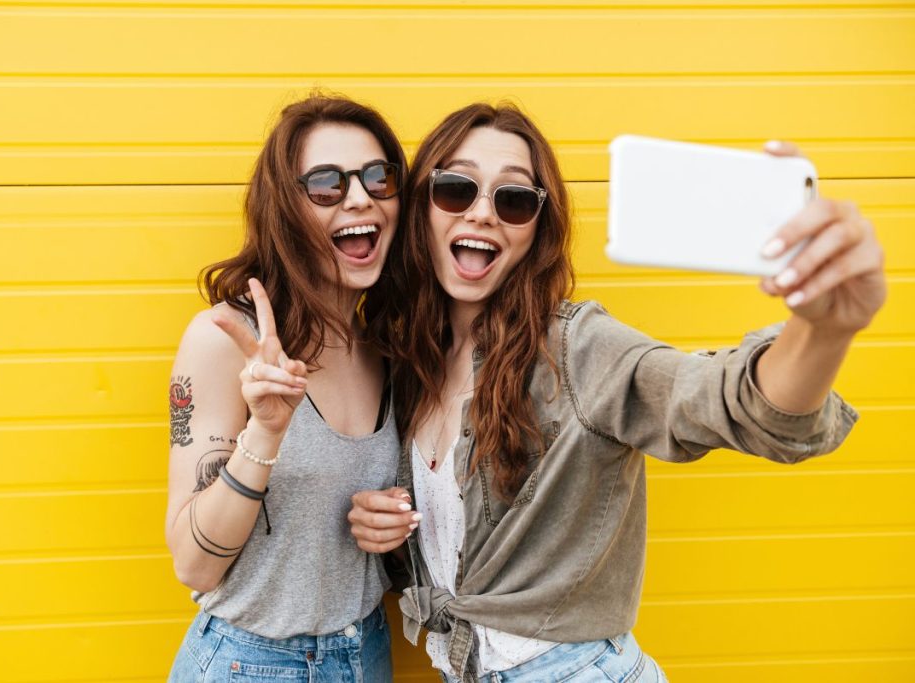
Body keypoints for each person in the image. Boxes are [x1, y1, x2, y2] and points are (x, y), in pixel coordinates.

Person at [349, 103, 886, 682]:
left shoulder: (576, 347)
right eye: (456, 188)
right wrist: (380, 530)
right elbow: (454, 554)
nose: (482, 213)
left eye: (514, 199)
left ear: (537, 228)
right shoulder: (409, 364)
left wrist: (825, 329)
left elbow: (723, 401)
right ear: (421, 207)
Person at [165, 94, 413, 682]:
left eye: (378, 177)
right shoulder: (224, 339)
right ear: (285, 208)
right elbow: (195, 565)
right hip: (249, 662)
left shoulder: (387, 346)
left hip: (367, 651)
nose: (360, 197)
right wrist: (267, 430)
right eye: (326, 184)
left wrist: (393, 528)